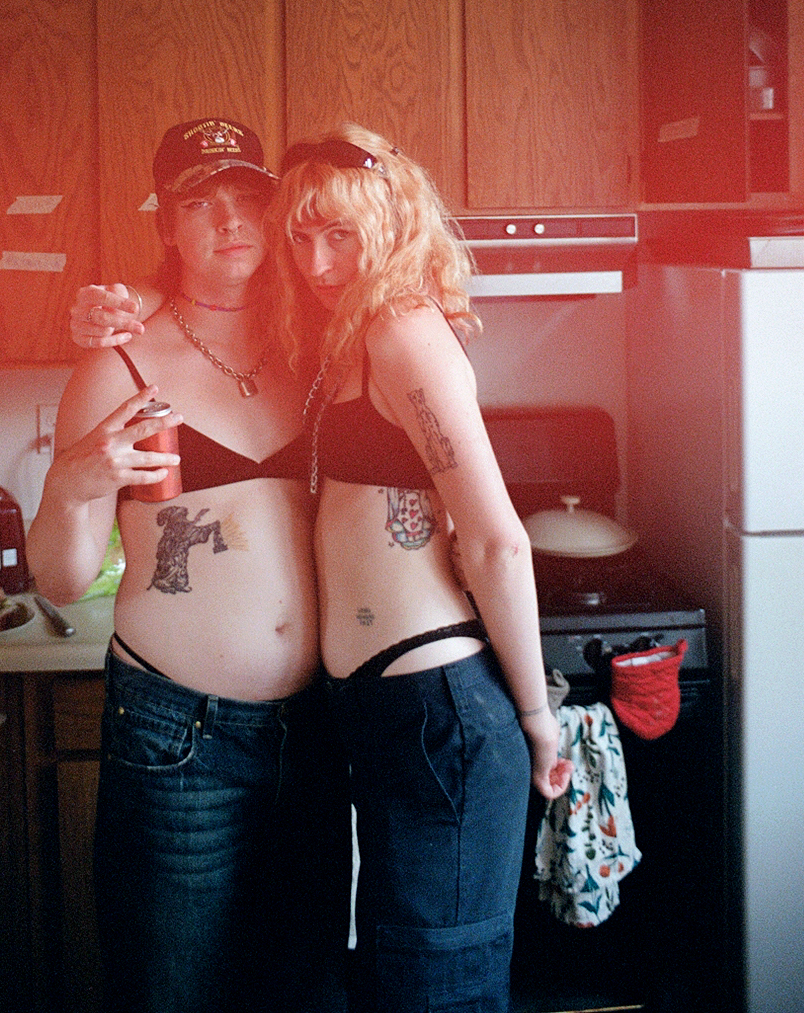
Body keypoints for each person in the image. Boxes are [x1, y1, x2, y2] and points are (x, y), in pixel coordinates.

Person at [27, 117, 349, 1013]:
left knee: (306, 993)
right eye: (200, 203)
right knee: (170, 992)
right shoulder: (118, 362)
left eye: (247, 196)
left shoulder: (319, 344)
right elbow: (62, 578)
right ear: (167, 225)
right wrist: (71, 482)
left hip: (315, 729)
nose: (231, 219)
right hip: (179, 740)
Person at [264, 125, 572, 1013]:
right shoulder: (352, 333)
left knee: (442, 990)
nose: (317, 263)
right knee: (402, 982)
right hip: (383, 710)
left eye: (340, 234)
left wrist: (536, 716)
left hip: (439, 710)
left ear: (393, 222)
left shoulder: (404, 332)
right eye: (300, 236)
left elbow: (498, 543)